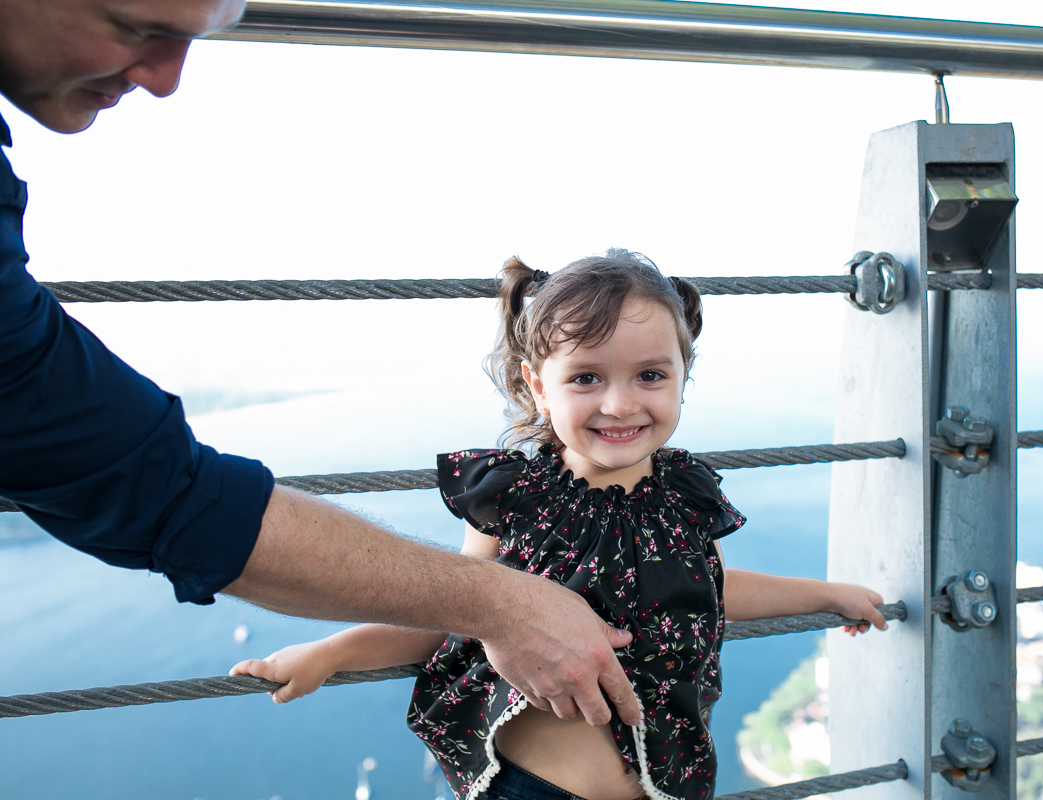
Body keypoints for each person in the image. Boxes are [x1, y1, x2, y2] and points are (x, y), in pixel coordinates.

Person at [0, 0, 641, 729]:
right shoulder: (510, 491)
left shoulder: (669, 490)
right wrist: (495, 604)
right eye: (136, 26)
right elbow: (158, 494)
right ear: (535, 382)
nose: (167, 79)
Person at [231, 250, 889, 800]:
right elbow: (450, 610)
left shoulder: (683, 498)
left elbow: (710, 589)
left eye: (651, 375)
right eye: (585, 378)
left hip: (670, 785)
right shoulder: (515, 498)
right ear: (538, 386)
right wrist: (332, 653)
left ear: (685, 377)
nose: (619, 403)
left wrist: (827, 595)